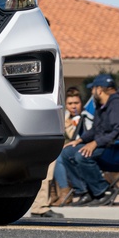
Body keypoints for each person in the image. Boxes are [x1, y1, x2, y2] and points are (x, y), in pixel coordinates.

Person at [60, 74, 119, 206]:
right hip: (103, 146)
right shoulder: (102, 105)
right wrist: (80, 140)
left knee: (82, 155)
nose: (92, 92)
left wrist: (95, 143)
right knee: (67, 152)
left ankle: (103, 192)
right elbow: (95, 130)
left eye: (92, 89)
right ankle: (84, 192)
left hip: (116, 151)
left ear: (99, 89)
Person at [30, 87, 84, 218]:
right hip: (59, 148)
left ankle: (44, 203)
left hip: (76, 150)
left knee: (53, 164)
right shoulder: (63, 117)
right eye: (70, 104)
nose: (73, 106)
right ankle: (41, 206)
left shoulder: (86, 117)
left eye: (76, 103)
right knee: (48, 169)